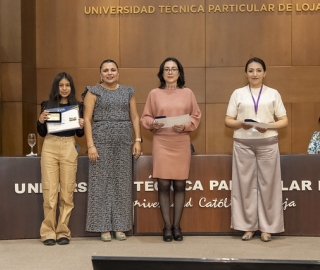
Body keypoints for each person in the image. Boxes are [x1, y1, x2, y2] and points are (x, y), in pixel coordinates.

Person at [225, 57, 288, 242]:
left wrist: (268, 125)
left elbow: (284, 121)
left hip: (267, 142)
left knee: (269, 185)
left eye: (259, 70)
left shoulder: (273, 93)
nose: (254, 74)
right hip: (242, 143)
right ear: (246, 73)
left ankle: (268, 228)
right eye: (251, 70)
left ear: (264, 73)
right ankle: (247, 227)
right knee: (244, 185)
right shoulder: (238, 93)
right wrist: (240, 124)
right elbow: (228, 120)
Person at [140, 57, 201, 242]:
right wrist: (153, 123)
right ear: (162, 73)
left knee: (180, 184)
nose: (170, 72)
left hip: (181, 141)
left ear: (179, 73)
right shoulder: (154, 93)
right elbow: (145, 117)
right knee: (164, 184)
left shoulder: (188, 93)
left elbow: (196, 115)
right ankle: (167, 227)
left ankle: (177, 226)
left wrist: (187, 126)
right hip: (162, 141)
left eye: (174, 69)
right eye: (166, 69)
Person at [82, 59, 142, 242]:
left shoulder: (128, 91)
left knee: (122, 183)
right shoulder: (93, 91)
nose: (109, 73)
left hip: (124, 141)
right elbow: (86, 119)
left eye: (113, 70)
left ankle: (120, 226)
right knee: (101, 184)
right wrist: (90, 145)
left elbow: (135, 117)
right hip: (100, 141)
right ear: (100, 74)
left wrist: (137, 140)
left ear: (118, 73)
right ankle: (103, 227)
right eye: (105, 70)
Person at [37, 72, 85, 246]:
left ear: (71, 87)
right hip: (49, 145)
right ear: (56, 87)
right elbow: (41, 132)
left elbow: (80, 134)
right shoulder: (47, 105)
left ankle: (63, 231)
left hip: (68, 146)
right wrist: (40, 120)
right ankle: (48, 232)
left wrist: (81, 125)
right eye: (61, 85)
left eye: (67, 85)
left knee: (67, 192)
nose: (64, 88)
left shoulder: (77, 106)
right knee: (49, 193)